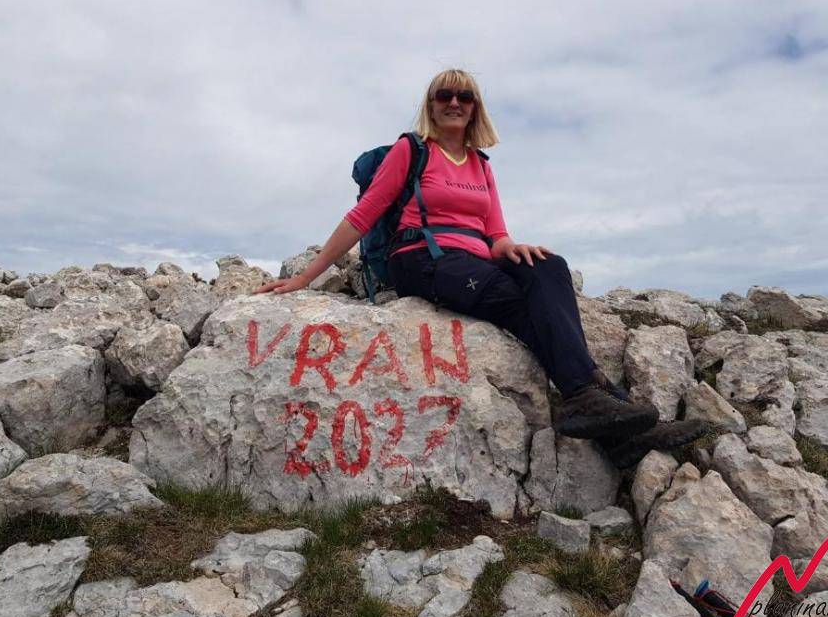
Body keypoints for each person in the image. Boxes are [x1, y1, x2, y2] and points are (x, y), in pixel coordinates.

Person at [254, 69, 706, 468]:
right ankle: (601, 404)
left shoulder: (480, 164)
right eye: (444, 95)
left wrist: (515, 249)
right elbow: (363, 215)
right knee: (520, 303)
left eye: (464, 97)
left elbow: (496, 233)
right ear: (431, 105)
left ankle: (606, 422)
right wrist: (305, 278)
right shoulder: (412, 150)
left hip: (474, 259)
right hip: (422, 258)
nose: (454, 102)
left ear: (475, 108)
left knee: (550, 268)